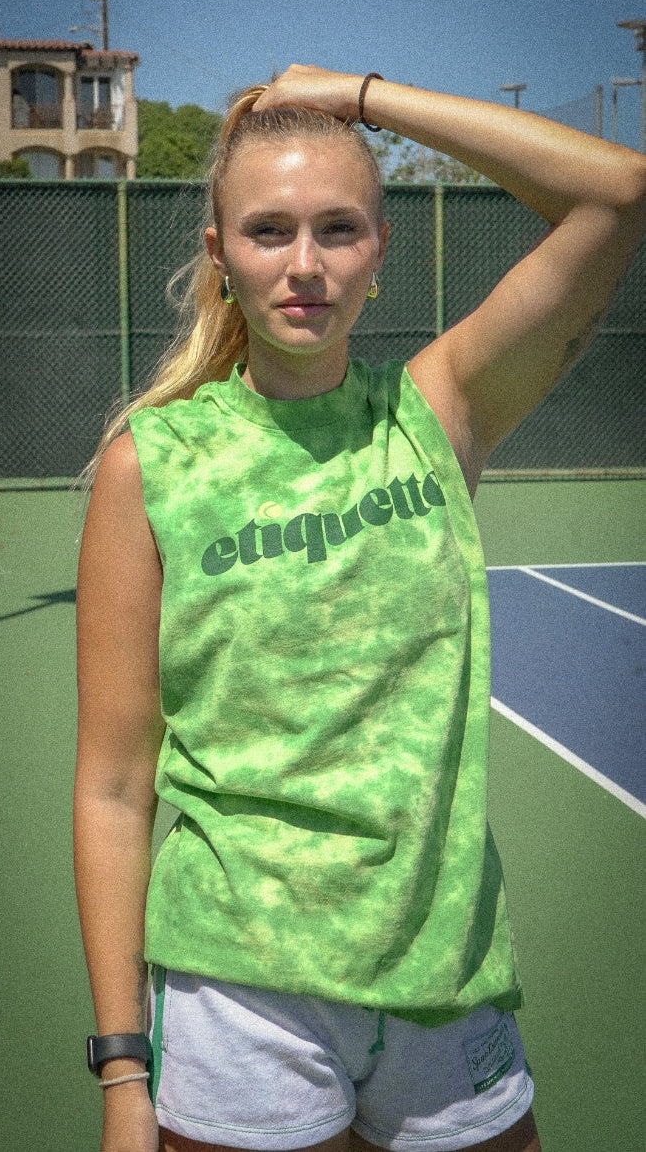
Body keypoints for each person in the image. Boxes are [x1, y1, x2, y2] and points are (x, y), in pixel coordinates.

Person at [73, 65, 646, 1152]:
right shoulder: (148, 466)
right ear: (219, 256)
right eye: (268, 230)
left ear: (380, 250)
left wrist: (362, 96)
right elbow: (111, 783)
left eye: (338, 229)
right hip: (236, 994)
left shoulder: (439, 410)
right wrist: (120, 1069)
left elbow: (617, 190)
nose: (303, 265)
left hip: (443, 976)